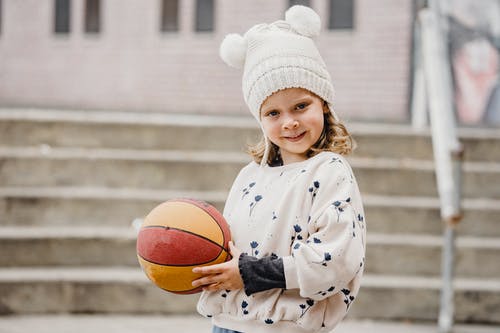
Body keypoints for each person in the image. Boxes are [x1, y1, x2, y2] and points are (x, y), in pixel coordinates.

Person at [192, 5, 366, 333]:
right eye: (273, 113)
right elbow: (229, 247)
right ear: (260, 120)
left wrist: (249, 273)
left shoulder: (330, 172)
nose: (290, 122)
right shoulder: (249, 176)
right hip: (226, 324)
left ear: (324, 104)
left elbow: (335, 259)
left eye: (301, 105)